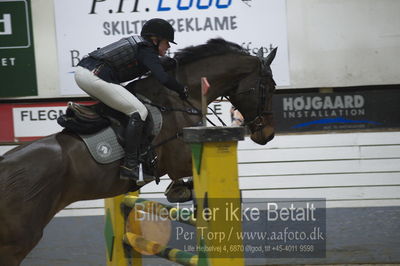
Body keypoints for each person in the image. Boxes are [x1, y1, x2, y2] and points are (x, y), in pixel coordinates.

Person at [74, 18, 188, 182]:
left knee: (123, 108)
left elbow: (154, 66)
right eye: (167, 42)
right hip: (93, 76)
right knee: (139, 111)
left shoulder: (143, 47)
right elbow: (162, 78)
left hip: (86, 72)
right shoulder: (146, 49)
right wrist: (181, 89)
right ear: (155, 40)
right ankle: (130, 165)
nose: (169, 47)